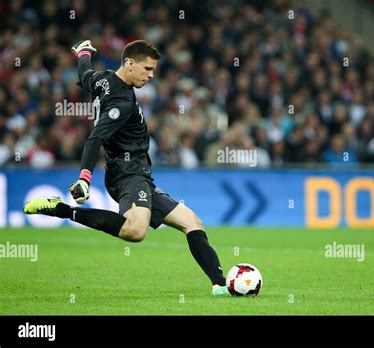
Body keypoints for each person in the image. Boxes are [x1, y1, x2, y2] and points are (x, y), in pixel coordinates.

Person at [24, 40, 230, 296]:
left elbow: (85, 74)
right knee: (135, 231)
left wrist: (83, 53)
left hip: (139, 174)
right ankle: (63, 210)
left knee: (192, 222)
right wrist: (85, 178)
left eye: (153, 70)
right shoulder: (122, 102)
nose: (151, 75)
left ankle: (220, 285)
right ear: (129, 63)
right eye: (147, 69)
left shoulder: (102, 79)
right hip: (128, 174)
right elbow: (94, 139)